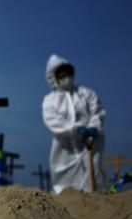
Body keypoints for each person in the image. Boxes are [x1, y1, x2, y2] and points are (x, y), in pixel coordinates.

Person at [42, 54, 106, 193]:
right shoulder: (50, 100)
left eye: (69, 74)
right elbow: (53, 121)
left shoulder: (86, 93)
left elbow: (98, 112)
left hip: (90, 144)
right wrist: (75, 129)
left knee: (93, 174)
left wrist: (93, 127)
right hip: (64, 151)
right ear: (54, 77)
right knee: (64, 186)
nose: (67, 78)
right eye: (62, 75)